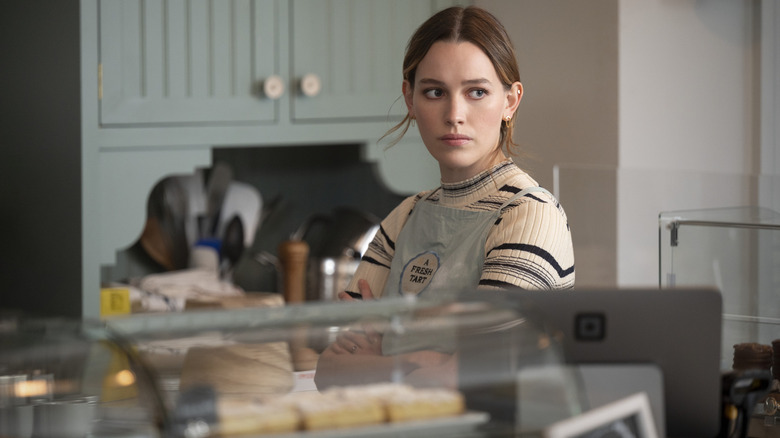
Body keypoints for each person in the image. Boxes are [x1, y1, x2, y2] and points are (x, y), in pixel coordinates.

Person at [314, 5, 575, 389]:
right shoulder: (405, 217)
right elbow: (330, 372)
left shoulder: (531, 215)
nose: (454, 114)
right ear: (410, 98)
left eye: (477, 92)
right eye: (435, 92)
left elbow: (469, 381)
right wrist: (423, 359)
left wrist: (385, 349)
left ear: (510, 101)